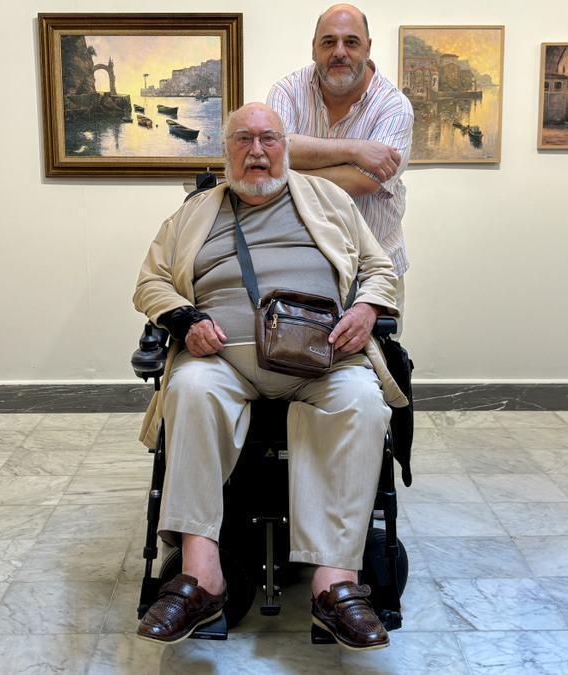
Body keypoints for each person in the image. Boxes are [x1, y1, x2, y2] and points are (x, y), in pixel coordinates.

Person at [132, 102, 408, 651]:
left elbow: (379, 268)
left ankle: (335, 586)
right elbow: (150, 283)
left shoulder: (328, 199)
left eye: (268, 139)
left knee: (361, 400)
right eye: (243, 140)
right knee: (186, 388)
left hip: (320, 355)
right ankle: (201, 576)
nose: (256, 152)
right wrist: (183, 318)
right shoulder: (191, 214)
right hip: (221, 361)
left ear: (285, 146)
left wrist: (367, 310)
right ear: (226, 149)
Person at [267, 3, 414, 313]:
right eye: (328, 41)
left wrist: (288, 171)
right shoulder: (286, 92)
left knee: (377, 361)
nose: (339, 52)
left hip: (372, 272)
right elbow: (276, 151)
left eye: (351, 42)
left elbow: (365, 182)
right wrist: (356, 150)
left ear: (368, 48)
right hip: (300, 271)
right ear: (313, 48)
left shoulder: (394, 107)